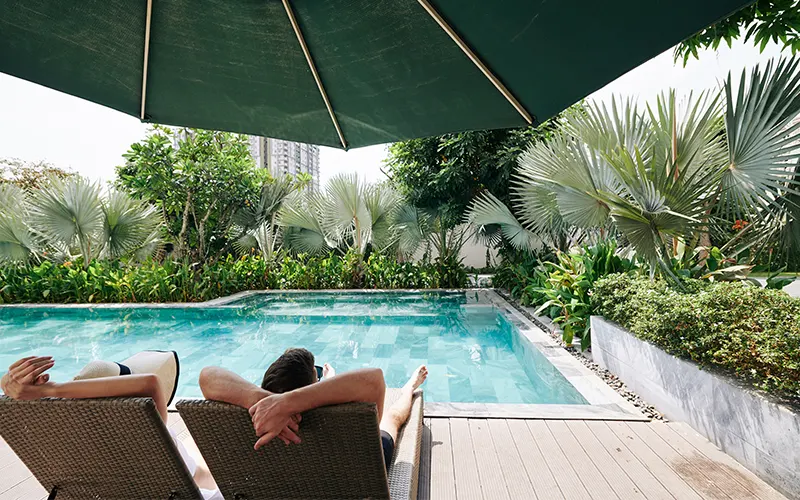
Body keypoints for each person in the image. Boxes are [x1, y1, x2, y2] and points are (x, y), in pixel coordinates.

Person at [0, 352, 222, 500]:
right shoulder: (149, 426)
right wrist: (51, 389)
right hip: (186, 490)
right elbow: (150, 382)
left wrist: (9, 384)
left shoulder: (70, 436)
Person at [199, 348, 427, 469]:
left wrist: (270, 401)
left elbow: (207, 375)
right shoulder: (338, 420)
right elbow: (374, 379)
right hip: (355, 468)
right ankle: (410, 387)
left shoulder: (257, 418)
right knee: (392, 418)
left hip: (287, 478)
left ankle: (329, 380)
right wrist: (288, 403)